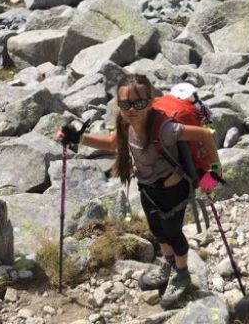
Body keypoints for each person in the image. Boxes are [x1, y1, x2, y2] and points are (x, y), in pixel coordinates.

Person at [56, 73, 222, 309]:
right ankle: (169, 265)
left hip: (173, 189)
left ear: (151, 101)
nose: (132, 109)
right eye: (125, 104)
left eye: (139, 103)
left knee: (173, 234)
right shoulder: (124, 123)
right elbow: (112, 143)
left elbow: (205, 134)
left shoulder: (166, 129)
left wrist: (213, 172)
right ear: (118, 104)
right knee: (157, 231)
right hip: (147, 187)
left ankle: (182, 274)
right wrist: (77, 138)